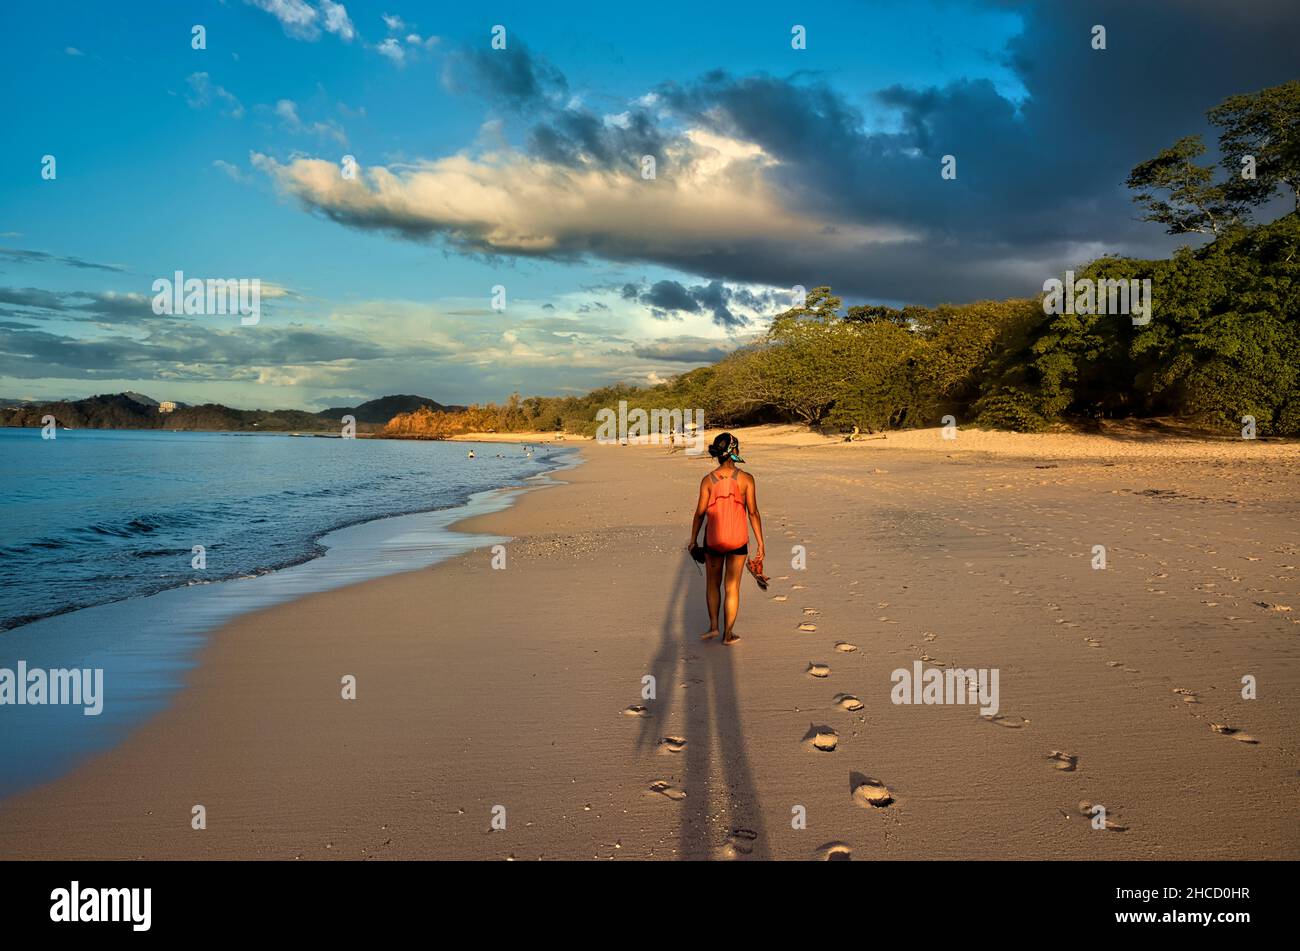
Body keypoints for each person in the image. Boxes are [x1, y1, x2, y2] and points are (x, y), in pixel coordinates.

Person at [686, 433, 764, 645]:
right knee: (732, 587)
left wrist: (693, 540)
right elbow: (753, 513)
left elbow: (700, 513)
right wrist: (760, 543)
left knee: (713, 584)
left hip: (713, 540)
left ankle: (713, 627)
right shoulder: (747, 479)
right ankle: (728, 634)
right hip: (738, 539)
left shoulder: (708, 480)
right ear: (735, 451)